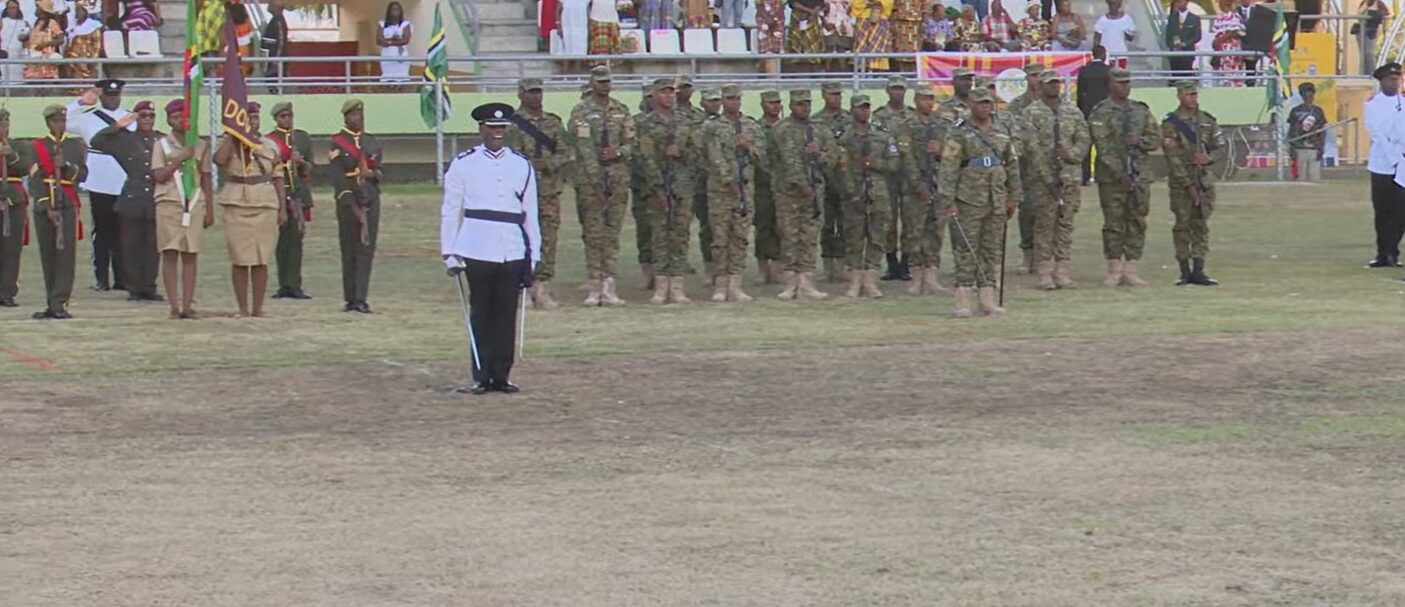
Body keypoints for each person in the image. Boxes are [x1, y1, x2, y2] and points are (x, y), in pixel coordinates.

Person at [441, 103, 541, 395]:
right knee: (482, 311)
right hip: (476, 244)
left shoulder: (521, 164)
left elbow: (530, 212)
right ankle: (481, 374)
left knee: (506, 312)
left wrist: (534, 253)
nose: (497, 133)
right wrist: (450, 251)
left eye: (501, 129)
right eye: (491, 128)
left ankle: (502, 374)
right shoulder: (463, 163)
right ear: (481, 129)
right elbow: (451, 209)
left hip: (511, 246)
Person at [938, 87, 1020, 317]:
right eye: (980, 102)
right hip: (968, 199)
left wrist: (1014, 196)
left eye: (988, 102)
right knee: (965, 250)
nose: (985, 106)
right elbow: (948, 168)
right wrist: (948, 199)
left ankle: (987, 300)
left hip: (996, 199)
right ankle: (963, 301)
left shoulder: (1001, 131)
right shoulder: (959, 133)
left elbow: (1012, 165)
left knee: (990, 250)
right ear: (971, 105)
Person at [1088, 67, 1160, 287]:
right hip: (1112, 178)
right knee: (1114, 221)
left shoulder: (1140, 111)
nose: (1125, 87)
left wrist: (1140, 142)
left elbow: (1155, 138)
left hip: (1139, 174)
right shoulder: (1101, 112)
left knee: (1137, 220)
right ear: (1111, 85)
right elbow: (1103, 145)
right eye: (1120, 83)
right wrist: (1120, 173)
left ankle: (1131, 267)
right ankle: (1114, 267)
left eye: (1128, 82)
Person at [569, 65, 634, 306]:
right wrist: (596, 178)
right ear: (592, 84)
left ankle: (609, 284)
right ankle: (594, 285)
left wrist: (617, 152)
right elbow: (583, 147)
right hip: (591, 182)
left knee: (612, 233)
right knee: (594, 233)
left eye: (607, 82)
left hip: (617, 179)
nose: (604, 85)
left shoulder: (621, 110)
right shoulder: (581, 111)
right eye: (600, 82)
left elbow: (631, 144)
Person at [213, 103, 285, 318]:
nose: (253, 122)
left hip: (264, 202)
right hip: (237, 202)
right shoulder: (229, 143)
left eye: (255, 117)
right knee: (240, 259)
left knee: (261, 258)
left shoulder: (269, 144)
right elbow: (219, 161)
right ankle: (242, 308)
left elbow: (278, 176)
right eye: (249, 118)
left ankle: (258, 308)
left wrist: (282, 207)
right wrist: (233, 135)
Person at [505, 78, 570, 309]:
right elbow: (508, 157)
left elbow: (566, 152)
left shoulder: (553, 123)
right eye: (531, 92)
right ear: (521, 94)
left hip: (550, 190)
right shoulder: (513, 125)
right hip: (522, 193)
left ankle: (543, 286)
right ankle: (524, 285)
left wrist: (550, 164)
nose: (536, 97)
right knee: (522, 238)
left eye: (538, 92)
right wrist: (530, 166)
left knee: (548, 239)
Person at [1023, 70, 1091, 290]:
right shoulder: (1031, 113)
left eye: (1057, 83)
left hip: (1069, 177)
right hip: (1042, 180)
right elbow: (1031, 148)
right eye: (1049, 84)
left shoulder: (1072, 111)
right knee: (1044, 226)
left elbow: (1084, 139)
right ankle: (1044, 271)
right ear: (1041, 86)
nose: (1054, 87)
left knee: (1065, 224)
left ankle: (1062, 270)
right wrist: (1047, 177)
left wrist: (1070, 154)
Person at [770, 89, 839, 300]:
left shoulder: (819, 128)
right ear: (791, 106)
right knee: (790, 235)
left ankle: (807, 281)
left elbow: (834, 155)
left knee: (810, 236)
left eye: (807, 103)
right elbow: (788, 159)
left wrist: (820, 154)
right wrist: (801, 184)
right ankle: (791, 282)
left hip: (814, 190)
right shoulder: (782, 128)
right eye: (800, 104)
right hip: (788, 192)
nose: (804, 108)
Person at [91, 100, 161, 302]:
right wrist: (117, 126)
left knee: (152, 247)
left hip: (155, 198)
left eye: (151, 115)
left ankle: (149, 286)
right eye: (143, 115)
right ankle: (134, 288)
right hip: (132, 197)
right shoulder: (125, 139)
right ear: (135, 117)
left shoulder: (160, 140)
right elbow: (96, 141)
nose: (147, 119)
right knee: (131, 246)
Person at [637, 78, 699, 305]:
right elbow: (645, 158)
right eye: (663, 93)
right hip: (657, 187)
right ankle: (661, 285)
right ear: (654, 96)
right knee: (660, 236)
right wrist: (657, 187)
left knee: (680, 235)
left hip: (682, 186)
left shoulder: (686, 122)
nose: (669, 96)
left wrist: (680, 152)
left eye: (671, 92)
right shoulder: (646, 123)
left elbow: (697, 154)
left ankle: (678, 285)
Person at [699, 84, 762, 303]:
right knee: (720, 238)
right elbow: (710, 156)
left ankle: (735, 283)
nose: (734, 102)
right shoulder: (712, 126)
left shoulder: (751, 126)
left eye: (737, 98)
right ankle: (720, 283)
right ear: (723, 101)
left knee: (740, 238)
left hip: (745, 190)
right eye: (729, 98)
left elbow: (763, 159)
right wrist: (728, 181)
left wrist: (749, 147)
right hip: (720, 191)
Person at [151, 99, 213, 319]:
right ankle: (173, 305)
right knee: (170, 252)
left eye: (184, 117)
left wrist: (210, 209)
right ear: (168, 119)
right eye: (175, 117)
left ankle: (187, 304)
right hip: (169, 202)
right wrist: (180, 159)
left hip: (195, 202)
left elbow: (205, 176)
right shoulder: (162, 145)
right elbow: (158, 175)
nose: (180, 121)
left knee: (190, 253)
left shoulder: (200, 144)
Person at [67, 79, 130, 292]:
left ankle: (123, 278)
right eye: (108, 95)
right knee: (102, 233)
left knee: (123, 233)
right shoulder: (88, 118)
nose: (112, 99)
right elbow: (60, 120)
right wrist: (80, 102)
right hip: (99, 182)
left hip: (124, 181)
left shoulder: (131, 117)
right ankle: (101, 278)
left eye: (116, 95)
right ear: (101, 96)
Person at [28, 105, 88, 319]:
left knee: (65, 255)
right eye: (55, 121)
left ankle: (60, 302)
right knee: (48, 255)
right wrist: (46, 206)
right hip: (45, 204)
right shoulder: (37, 146)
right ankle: (51, 301)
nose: (59, 125)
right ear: (48, 123)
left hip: (67, 203)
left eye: (62, 121)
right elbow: (34, 179)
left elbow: (82, 174)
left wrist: (66, 166)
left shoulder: (75, 145)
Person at [1161, 81, 1222, 286]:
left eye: (1195, 94)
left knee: (1201, 224)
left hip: (1203, 181)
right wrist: (1188, 186)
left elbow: (1220, 147)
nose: (1193, 98)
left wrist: (1209, 158)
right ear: (1179, 96)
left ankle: (1199, 269)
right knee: (1182, 225)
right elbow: (1172, 157)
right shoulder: (1171, 123)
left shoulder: (1207, 120)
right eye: (1189, 95)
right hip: (1181, 184)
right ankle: (1184, 270)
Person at [835, 94, 895, 299]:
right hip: (853, 194)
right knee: (854, 239)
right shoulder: (844, 138)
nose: (864, 111)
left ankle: (870, 281)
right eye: (860, 108)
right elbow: (839, 168)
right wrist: (850, 193)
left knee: (877, 238)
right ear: (852, 110)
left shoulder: (882, 136)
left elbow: (894, 164)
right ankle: (854, 282)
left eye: (867, 108)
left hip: (878, 194)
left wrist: (874, 164)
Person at [330, 99, 383, 313]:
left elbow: (379, 170)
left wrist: (372, 175)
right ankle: (350, 297)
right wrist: (349, 200)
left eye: (360, 115)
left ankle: (362, 297)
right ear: (346, 117)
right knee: (349, 248)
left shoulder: (370, 141)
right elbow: (337, 175)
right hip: (348, 200)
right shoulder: (337, 142)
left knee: (365, 249)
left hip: (369, 196)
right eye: (353, 115)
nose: (358, 119)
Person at [897, 85, 948, 295]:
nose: (928, 103)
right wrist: (918, 186)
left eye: (931, 99)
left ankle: (932, 275)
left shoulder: (942, 125)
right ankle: (917, 276)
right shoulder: (906, 125)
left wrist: (940, 151)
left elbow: (953, 152)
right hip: (913, 189)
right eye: (924, 99)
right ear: (916, 100)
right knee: (914, 231)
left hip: (938, 184)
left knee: (935, 232)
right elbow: (905, 156)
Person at [269, 101, 314, 300]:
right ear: (276, 119)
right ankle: (283, 284)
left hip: (298, 194)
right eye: (282, 116)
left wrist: (301, 162)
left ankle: (295, 284)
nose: (287, 120)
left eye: (289, 116)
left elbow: (310, 168)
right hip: (279, 194)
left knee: (296, 240)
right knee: (282, 241)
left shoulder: (301, 138)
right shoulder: (270, 140)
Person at [1364, 62, 1404, 268]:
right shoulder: (1372, 105)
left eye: (1397, 79)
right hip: (1382, 165)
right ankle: (1382, 253)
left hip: (1402, 167)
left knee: (1400, 213)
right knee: (1382, 212)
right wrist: (1394, 159)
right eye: (1391, 79)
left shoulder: (1403, 102)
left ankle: (1393, 251)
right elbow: (1378, 134)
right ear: (1381, 82)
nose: (1395, 83)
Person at [874, 75, 913, 282]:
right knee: (887, 220)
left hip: (908, 174)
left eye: (901, 89)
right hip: (887, 175)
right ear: (887, 91)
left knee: (910, 220)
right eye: (894, 89)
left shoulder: (912, 116)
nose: (897, 92)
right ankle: (891, 263)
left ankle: (906, 264)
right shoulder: (878, 116)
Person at [817, 82, 848, 282]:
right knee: (826, 225)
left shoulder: (850, 119)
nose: (836, 98)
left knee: (846, 224)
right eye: (832, 94)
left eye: (838, 94)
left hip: (845, 180)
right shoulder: (816, 121)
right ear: (823, 95)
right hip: (823, 179)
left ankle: (843, 265)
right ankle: (828, 266)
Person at [754, 90, 785, 285]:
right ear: (763, 105)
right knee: (763, 226)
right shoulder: (756, 128)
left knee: (782, 227)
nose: (775, 106)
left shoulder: (786, 127)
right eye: (770, 103)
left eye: (777, 102)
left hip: (784, 185)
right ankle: (763, 269)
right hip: (762, 185)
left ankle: (778, 268)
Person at [629, 83, 655, 289]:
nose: (651, 100)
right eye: (647, 97)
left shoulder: (674, 122)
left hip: (667, 184)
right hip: (641, 185)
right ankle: (648, 270)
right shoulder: (635, 123)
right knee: (645, 229)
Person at [0, 109, 25, 307]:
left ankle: (7, 291)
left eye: (5, 125)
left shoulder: (19, 145)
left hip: (13, 200)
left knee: (11, 248)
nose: (3, 129)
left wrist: (11, 155)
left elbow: (26, 167)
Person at [1077, 45, 1110, 185]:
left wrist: (1081, 109)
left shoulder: (1084, 70)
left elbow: (1080, 93)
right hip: (1105, 111)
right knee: (1104, 145)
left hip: (1087, 110)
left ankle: (1085, 177)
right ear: (1104, 55)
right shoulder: (1109, 71)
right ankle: (1102, 175)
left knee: (1086, 145)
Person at [1288, 82, 1327, 183]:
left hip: (1314, 148)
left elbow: (1322, 131)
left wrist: (1321, 147)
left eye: (1311, 94)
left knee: (1315, 178)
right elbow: (1291, 130)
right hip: (1299, 148)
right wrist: (1292, 147)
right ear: (1301, 95)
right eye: (1305, 94)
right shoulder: (1295, 111)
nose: (1309, 96)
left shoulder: (1318, 111)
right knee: (1300, 178)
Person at [62, 4, 103, 83]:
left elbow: (97, 45)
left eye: (80, 11)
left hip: (86, 55)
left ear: (86, 12)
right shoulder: (74, 26)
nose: (78, 13)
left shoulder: (93, 26)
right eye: (76, 11)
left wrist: (93, 59)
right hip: (72, 56)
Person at [25, 1, 64, 82]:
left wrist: (45, 44)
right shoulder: (37, 23)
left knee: (46, 81)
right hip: (35, 58)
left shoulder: (51, 23)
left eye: (38, 7)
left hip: (46, 59)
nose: (36, 9)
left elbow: (61, 39)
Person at [1211, 0, 1247, 87]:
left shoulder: (1236, 16)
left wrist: (1222, 38)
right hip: (1220, 51)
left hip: (1233, 50)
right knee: (1221, 74)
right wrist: (1217, 42)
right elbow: (1216, 34)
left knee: (1234, 74)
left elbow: (1237, 32)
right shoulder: (1218, 18)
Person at [851, 0, 892, 71]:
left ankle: (877, 72)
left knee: (879, 49)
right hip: (863, 19)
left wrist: (876, 3)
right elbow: (856, 3)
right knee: (861, 47)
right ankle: (862, 71)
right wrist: (867, 3)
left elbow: (888, 3)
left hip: (881, 18)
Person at [377, 2, 412, 83]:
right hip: (387, 56)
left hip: (401, 56)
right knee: (388, 79)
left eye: (397, 9)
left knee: (402, 79)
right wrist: (396, 40)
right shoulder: (382, 24)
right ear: (389, 11)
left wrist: (388, 41)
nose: (395, 12)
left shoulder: (405, 24)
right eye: (393, 9)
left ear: (401, 11)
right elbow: (379, 40)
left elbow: (406, 40)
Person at [1165, 0, 1200, 81]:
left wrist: (1184, 44)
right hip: (1174, 55)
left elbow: (1197, 36)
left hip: (1187, 54)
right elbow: (1168, 35)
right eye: (1177, 2)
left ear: (1187, 2)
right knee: (1176, 78)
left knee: (1186, 78)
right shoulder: (1172, 18)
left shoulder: (1194, 18)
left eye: (1180, 1)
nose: (1178, 3)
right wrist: (1172, 45)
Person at [789, 0, 826, 70]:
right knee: (796, 45)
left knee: (814, 46)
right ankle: (796, 74)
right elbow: (793, 3)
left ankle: (815, 73)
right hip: (798, 16)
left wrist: (813, 12)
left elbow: (820, 3)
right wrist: (808, 11)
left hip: (812, 16)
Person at [1356, 0, 1389, 76]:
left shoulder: (1380, 5)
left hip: (1372, 31)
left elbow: (1385, 17)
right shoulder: (1364, 3)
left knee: (1369, 53)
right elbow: (1359, 14)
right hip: (1361, 31)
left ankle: (1372, 73)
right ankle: (1363, 74)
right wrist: (1367, 5)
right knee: (1363, 54)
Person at [261, 0, 289, 87]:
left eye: (271, 2)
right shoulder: (274, 20)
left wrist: (275, 62)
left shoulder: (279, 21)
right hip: (269, 61)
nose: (269, 4)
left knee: (274, 87)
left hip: (274, 64)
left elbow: (281, 41)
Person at [0, 1, 27, 86]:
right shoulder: (2, 22)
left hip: (18, 55)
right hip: (3, 54)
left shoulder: (24, 23)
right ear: (6, 9)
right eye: (10, 8)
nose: (12, 10)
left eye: (14, 8)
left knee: (17, 80)